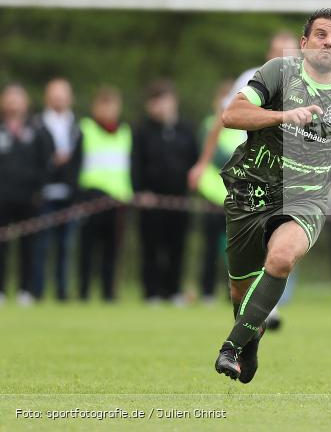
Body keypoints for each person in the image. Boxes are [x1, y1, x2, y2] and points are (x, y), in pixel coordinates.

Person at [213, 8, 331, 384]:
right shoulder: (278, 72)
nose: (328, 42)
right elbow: (232, 115)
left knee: (283, 257)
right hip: (250, 192)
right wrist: (283, 117)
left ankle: (231, 347)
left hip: (305, 200)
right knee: (240, 289)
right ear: (304, 43)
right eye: (321, 35)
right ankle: (250, 345)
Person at [188, 31, 299, 325]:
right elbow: (223, 118)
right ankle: (251, 302)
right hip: (253, 167)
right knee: (252, 238)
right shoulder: (254, 78)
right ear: (268, 54)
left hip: (287, 173)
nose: (282, 58)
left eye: (288, 52)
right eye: (277, 51)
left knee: (278, 236)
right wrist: (202, 162)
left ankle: (265, 304)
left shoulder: (307, 84)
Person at [131, 80, 199, 304]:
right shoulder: (142, 131)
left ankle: (173, 291)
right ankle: (152, 292)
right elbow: (136, 164)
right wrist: (140, 192)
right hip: (151, 200)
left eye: (163, 100)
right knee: (151, 246)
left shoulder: (186, 130)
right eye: (154, 102)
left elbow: (195, 162)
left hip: (180, 200)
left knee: (177, 246)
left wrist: (192, 192)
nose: (159, 106)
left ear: (173, 101)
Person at [77, 86, 132, 302]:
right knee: (87, 250)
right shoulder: (86, 128)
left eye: (112, 104)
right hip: (92, 197)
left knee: (112, 252)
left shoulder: (125, 131)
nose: (108, 109)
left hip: (118, 200)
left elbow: (129, 167)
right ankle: (83, 293)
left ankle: (108, 294)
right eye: (104, 104)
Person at [31, 78, 81, 302]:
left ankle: (62, 292)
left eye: (63, 93)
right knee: (40, 246)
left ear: (70, 97)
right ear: (47, 97)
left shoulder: (78, 126)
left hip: (69, 194)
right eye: (55, 93)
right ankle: (37, 291)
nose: (59, 98)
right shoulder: (36, 124)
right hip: (44, 193)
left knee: (65, 247)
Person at [0, 84, 51, 306]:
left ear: (26, 102)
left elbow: (45, 162)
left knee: (29, 247)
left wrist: (38, 190)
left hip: (29, 198)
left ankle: (25, 290)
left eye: (18, 98)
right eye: (9, 98)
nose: (13, 103)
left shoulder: (37, 129)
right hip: (2, 197)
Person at [196, 81, 246, 303]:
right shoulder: (209, 126)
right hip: (212, 195)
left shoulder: (244, 126)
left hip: (238, 197)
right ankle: (207, 291)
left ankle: (233, 294)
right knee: (209, 248)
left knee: (237, 250)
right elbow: (217, 156)